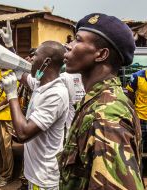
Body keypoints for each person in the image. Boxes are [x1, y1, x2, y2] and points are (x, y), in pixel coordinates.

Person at [60, 13, 144, 189]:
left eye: (78, 40)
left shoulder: (104, 116)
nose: (68, 46)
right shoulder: (98, 100)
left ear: (101, 54)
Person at [0, 41, 69, 189]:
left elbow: (23, 134)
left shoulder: (55, 93)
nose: (30, 59)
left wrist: (12, 94)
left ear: (46, 62)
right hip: (35, 173)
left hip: (44, 178)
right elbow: (21, 71)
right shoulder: (40, 83)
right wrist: (10, 46)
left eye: (35, 56)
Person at [126, 69, 147, 174]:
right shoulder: (137, 76)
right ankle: (139, 175)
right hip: (141, 119)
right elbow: (130, 95)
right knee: (138, 149)